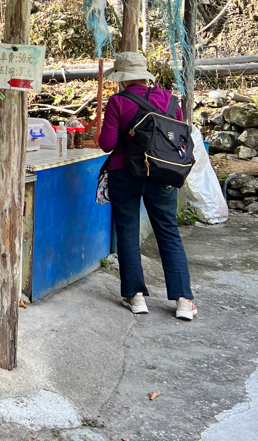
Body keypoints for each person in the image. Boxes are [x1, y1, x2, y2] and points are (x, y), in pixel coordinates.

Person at [98, 51, 197, 321]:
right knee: (167, 232)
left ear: (121, 78)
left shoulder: (118, 102)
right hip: (163, 174)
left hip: (125, 173)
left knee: (127, 231)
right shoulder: (170, 99)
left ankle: (136, 296)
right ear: (144, 74)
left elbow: (106, 144)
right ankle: (183, 301)